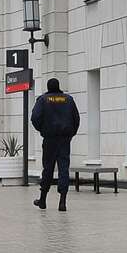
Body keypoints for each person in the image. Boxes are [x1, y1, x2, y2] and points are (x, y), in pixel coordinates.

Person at [31, 78, 80, 210]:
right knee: (64, 169)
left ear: (48, 87)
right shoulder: (68, 100)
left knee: (48, 168)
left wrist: (43, 129)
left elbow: (35, 118)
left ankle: (43, 200)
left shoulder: (43, 100)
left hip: (49, 139)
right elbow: (76, 119)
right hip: (64, 140)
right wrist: (70, 134)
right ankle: (62, 201)